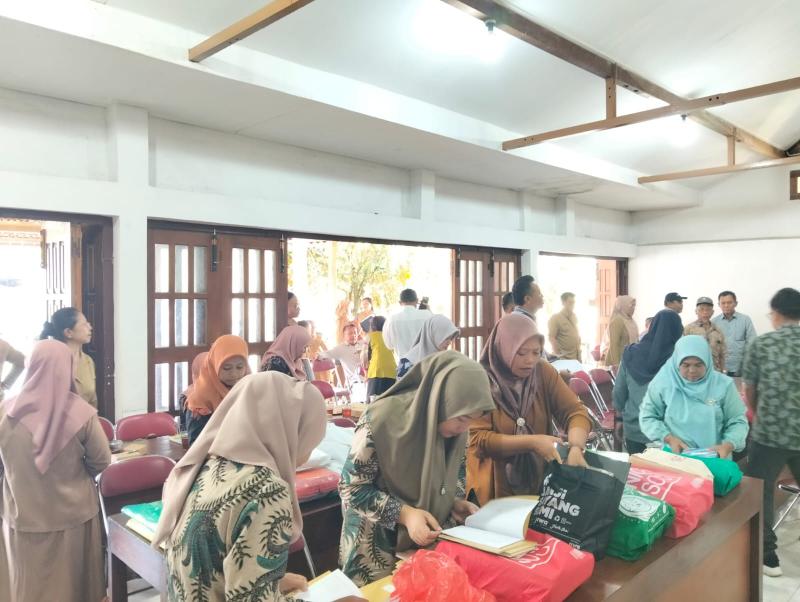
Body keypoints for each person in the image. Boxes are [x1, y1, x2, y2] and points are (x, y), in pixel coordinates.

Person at [154, 372, 327, 601]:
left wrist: (271, 582)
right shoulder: (266, 491)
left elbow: (214, 565)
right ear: (289, 430)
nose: (307, 453)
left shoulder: (202, 468)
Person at [338, 351, 495, 586]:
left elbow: (452, 479)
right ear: (440, 400)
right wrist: (405, 514)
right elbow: (351, 488)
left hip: (425, 546)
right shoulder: (381, 420)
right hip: (374, 547)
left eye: (472, 419)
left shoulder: (456, 430)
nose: (465, 428)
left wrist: (453, 503)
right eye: (462, 419)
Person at [0, 340, 110, 602]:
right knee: (75, 587)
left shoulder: (6, 411)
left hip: (22, 515)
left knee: (27, 585)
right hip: (74, 517)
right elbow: (101, 461)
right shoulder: (81, 413)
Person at [467, 314, 590, 505]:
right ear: (503, 348)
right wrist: (532, 443)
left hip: (539, 481)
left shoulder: (543, 372)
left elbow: (575, 411)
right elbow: (478, 440)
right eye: (521, 353)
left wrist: (576, 447)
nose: (530, 360)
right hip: (492, 489)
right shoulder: (481, 381)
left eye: (536, 352)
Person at [742, 288, 800, 577]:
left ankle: (768, 557)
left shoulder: (762, 344)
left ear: (776, 314)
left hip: (769, 434)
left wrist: (760, 415)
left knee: (760, 492)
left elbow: (749, 389)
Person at [639, 335, 748, 458]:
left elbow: (738, 421)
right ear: (676, 363)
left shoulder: (723, 385)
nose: (692, 370)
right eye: (686, 365)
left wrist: (728, 444)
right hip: (675, 458)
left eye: (698, 365)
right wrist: (668, 438)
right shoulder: (663, 384)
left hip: (715, 458)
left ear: (707, 362)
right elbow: (648, 417)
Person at [613, 309, 683, 453]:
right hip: (669, 433)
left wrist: (619, 420)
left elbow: (619, 390)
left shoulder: (630, 353)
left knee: (637, 466)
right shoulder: (680, 359)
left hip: (635, 427)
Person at [185, 335, 249, 445]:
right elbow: (197, 446)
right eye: (226, 368)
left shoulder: (249, 389)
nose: (234, 374)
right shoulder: (200, 401)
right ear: (214, 365)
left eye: (240, 367)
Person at [40, 307, 98, 408]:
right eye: (84, 324)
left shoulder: (88, 361)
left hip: (84, 418)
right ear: (68, 332)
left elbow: (92, 402)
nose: (90, 327)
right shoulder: (50, 361)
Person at [397, 314, 459, 379]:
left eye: (451, 338)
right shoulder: (408, 362)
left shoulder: (446, 359)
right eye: (446, 338)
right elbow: (401, 385)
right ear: (433, 334)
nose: (449, 342)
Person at [712, 290, 757, 377]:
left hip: (741, 368)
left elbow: (752, 342)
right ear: (719, 305)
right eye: (723, 303)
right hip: (720, 368)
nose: (726, 305)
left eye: (729, 302)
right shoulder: (714, 322)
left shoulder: (745, 320)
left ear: (735, 303)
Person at [382, 288, 433, 360]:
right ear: (417, 301)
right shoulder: (427, 315)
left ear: (400, 302)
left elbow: (389, 345)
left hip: (404, 363)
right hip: (425, 362)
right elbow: (437, 336)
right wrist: (429, 311)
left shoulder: (391, 320)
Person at [683, 297, 727, 372]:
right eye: (701, 309)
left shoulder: (718, 331)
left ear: (712, 312)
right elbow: (682, 353)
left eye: (708, 309)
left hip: (714, 371)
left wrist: (723, 371)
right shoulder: (688, 330)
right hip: (695, 372)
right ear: (696, 311)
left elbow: (722, 355)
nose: (705, 312)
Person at [364, 316, 397, 398]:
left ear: (372, 326)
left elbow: (364, 356)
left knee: (374, 400)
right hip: (392, 370)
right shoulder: (390, 336)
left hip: (376, 371)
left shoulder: (370, 336)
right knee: (389, 398)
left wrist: (366, 372)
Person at [603, 296, 638, 368]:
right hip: (618, 360)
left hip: (629, 359)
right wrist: (616, 364)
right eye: (631, 305)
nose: (633, 308)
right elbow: (614, 344)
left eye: (634, 306)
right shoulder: (617, 321)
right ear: (623, 306)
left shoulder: (631, 321)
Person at [547, 292, 581, 360]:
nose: (573, 305)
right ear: (563, 303)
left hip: (576, 357)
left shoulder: (574, 316)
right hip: (564, 358)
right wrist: (558, 356)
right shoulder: (555, 318)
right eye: (570, 302)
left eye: (573, 302)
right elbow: (551, 338)